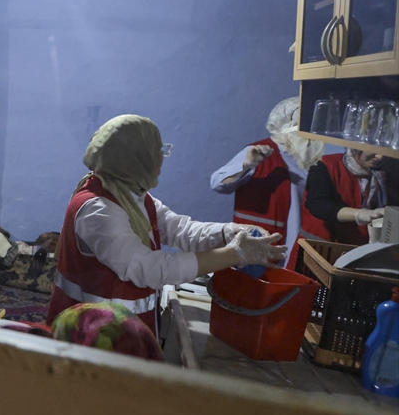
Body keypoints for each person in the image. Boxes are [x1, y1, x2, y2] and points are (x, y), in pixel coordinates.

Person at [47, 115, 287, 337]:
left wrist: (228, 232)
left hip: (121, 330)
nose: (161, 157)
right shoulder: (98, 209)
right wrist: (234, 254)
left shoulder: (133, 195)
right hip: (90, 335)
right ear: (135, 157)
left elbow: (180, 230)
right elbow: (149, 269)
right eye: (157, 151)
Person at [210, 97, 322, 268]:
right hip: (261, 245)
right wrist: (246, 164)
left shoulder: (312, 157)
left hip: (298, 244)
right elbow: (218, 183)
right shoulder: (259, 151)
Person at [302, 148, 395, 247]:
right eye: (375, 150)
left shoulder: (389, 170)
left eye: (386, 152)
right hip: (320, 247)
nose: (380, 157)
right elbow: (318, 204)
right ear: (356, 148)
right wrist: (361, 214)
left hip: (360, 248)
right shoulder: (326, 165)